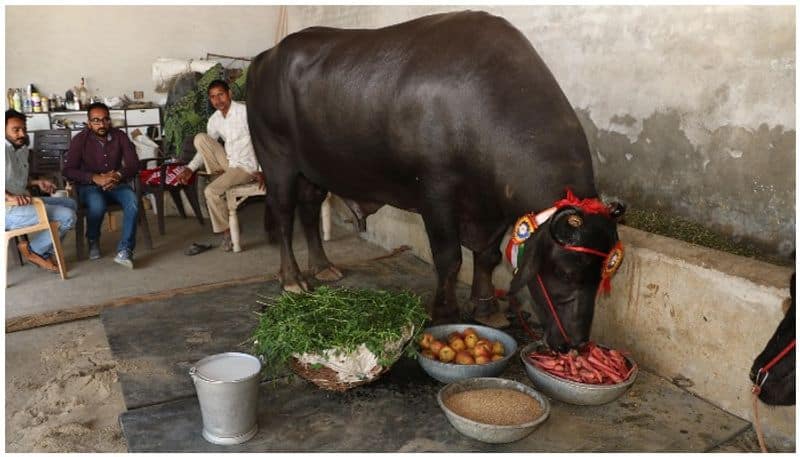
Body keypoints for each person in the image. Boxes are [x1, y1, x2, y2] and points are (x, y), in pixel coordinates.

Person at [176, 79, 264, 251]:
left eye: (221, 95)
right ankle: (218, 176)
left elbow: (261, 140)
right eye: (213, 97)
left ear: (229, 93)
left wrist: (262, 170)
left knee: (210, 191)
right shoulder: (214, 120)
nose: (218, 100)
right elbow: (204, 149)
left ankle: (227, 233)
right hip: (229, 163)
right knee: (200, 138)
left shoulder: (245, 112)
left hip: (246, 167)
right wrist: (189, 168)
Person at [62, 102, 140, 268]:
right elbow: (68, 171)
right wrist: (95, 178)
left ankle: (125, 250)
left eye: (105, 120)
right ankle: (92, 238)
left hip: (115, 182)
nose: (101, 124)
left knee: (132, 200)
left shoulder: (120, 136)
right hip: (89, 186)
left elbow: (133, 164)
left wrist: (117, 176)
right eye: (96, 120)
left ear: (109, 120)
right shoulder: (80, 140)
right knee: (97, 203)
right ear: (89, 123)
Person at [5, 109, 77, 272]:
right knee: (67, 216)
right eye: (16, 130)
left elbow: (14, 179)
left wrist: (37, 182)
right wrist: (9, 197)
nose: (21, 134)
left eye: (23, 129)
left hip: (24, 201)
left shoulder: (21, 148)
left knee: (70, 203)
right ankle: (36, 250)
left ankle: (43, 250)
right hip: (7, 211)